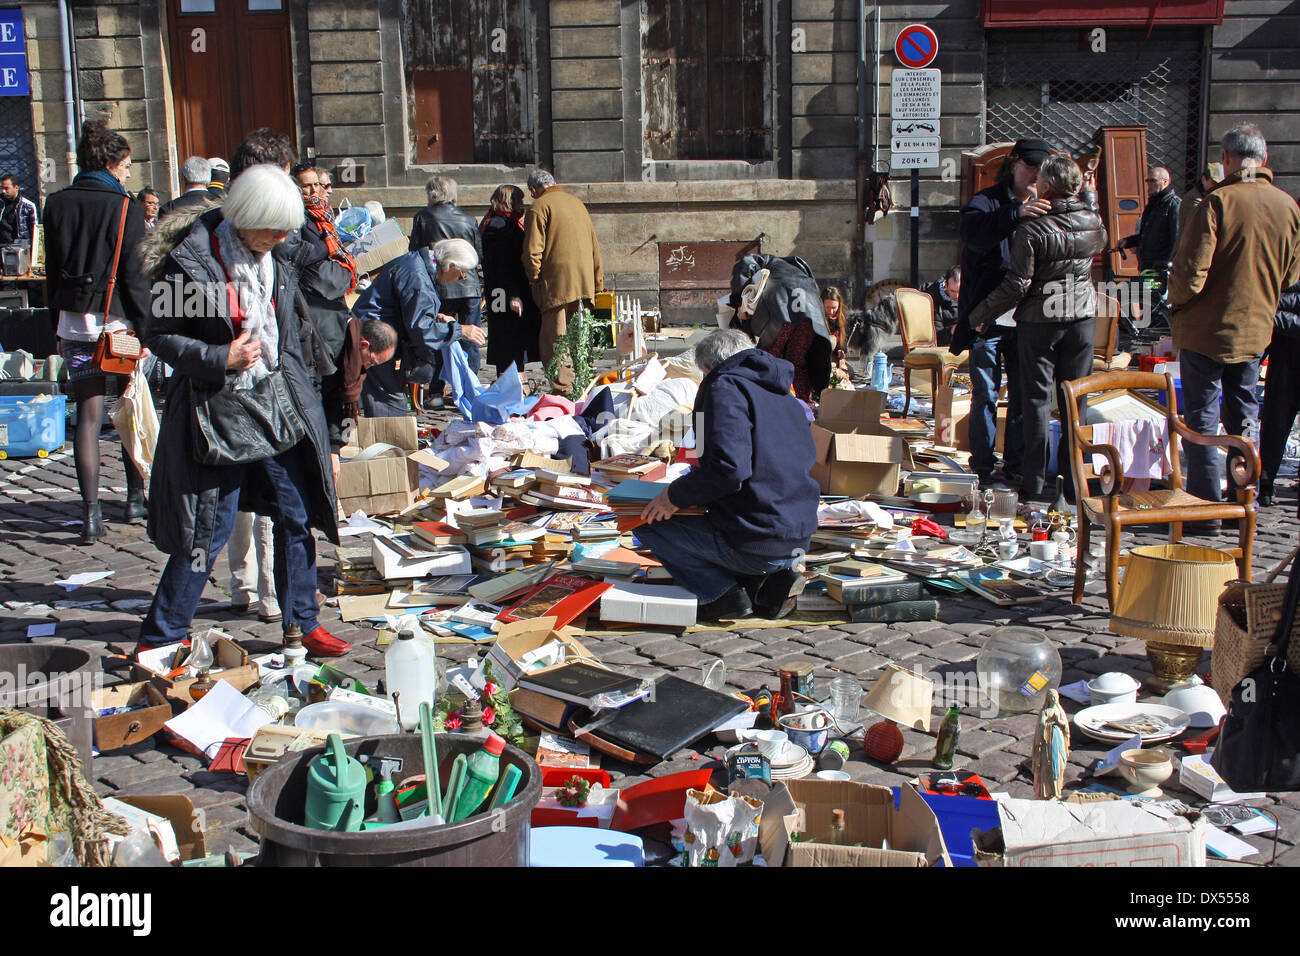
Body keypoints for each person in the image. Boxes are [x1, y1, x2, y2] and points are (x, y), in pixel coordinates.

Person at [136, 164, 349, 656]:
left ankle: (302, 622)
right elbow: (159, 335)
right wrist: (219, 358)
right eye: (270, 229)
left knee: (296, 514)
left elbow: (297, 325)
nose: (278, 238)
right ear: (243, 217)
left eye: (284, 230)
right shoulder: (191, 258)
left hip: (279, 398)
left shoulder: (281, 253)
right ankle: (161, 638)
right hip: (218, 409)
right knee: (207, 529)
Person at [636, 329, 819, 623]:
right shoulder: (781, 390)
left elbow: (728, 469)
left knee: (645, 521)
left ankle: (722, 595)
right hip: (798, 535)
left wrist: (673, 497)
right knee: (700, 513)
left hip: (758, 541)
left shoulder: (722, 387)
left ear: (707, 368)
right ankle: (766, 583)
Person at [1169, 123, 1300, 518]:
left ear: (1225, 159)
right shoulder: (1287, 206)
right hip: (1256, 330)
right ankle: (1245, 499)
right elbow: (1292, 276)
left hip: (1206, 331)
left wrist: (1176, 305)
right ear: (1264, 160)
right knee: (1244, 417)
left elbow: (1191, 274)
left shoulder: (1217, 202)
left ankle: (1206, 508)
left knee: (1204, 421)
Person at [967, 156, 1106, 505]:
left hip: (1041, 319)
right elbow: (1098, 248)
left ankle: (1034, 481)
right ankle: (1075, 482)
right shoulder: (1093, 221)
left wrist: (981, 313)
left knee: (1036, 401)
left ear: (1046, 186)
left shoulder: (1033, 227)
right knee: (1076, 402)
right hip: (1081, 317)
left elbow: (1018, 283)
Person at [43, 120, 150, 543]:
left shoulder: (55, 204)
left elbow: (52, 271)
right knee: (126, 409)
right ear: (110, 162)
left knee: (87, 417)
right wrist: (146, 332)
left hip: (73, 322)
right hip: (118, 323)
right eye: (125, 165)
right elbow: (136, 278)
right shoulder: (126, 207)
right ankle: (134, 498)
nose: (128, 173)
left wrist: (55, 322)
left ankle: (90, 516)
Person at [951, 138, 1051, 486]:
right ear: (1014, 166)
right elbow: (972, 234)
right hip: (987, 316)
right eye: (1029, 168)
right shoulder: (987, 201)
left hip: (1026, 317)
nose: (1035, 176)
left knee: (1023, 395)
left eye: (1041, 170)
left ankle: (1017, 465)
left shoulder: (1048, 205)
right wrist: (1015, 214)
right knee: (985, 395)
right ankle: (982, 466)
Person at [353, 238, 487, 417]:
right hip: (374, 336)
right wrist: (461, 330)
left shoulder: (419, 265)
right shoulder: (419, 277)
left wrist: (438, 317)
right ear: (451, 266)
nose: (461, 279)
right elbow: (422, 330)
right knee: (390, 401)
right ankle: (390, 442)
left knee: (388, 397)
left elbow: (410, 310)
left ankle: (388, 439)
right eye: (462, 274)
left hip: (377, 329)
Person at [522, 167, 603, 392]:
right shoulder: (577, 204)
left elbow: (532, 252)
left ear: (533, 189)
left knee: (555, 340)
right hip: (584, 282)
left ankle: (563, 389)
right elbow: (595, 246)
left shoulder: (539, 207)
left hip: (556, 284)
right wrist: (597, 282)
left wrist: (534, 280)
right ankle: (584, 384)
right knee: (580, 337)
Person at [728, 253, 833, 411]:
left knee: (770, 360)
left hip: (779, 315)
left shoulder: (767, 263)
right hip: (809, 319)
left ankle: (768, 406)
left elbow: (745, 266)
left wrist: (739, 298)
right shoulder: (803, 276)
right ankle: (805, 408)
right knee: (798, 363)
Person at [407, 174, 484, 377]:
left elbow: (415, 252)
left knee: (439, 335)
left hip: (439, 284)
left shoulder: (423, 217)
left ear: (432, 194)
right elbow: (478, 254)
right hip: (469, 284)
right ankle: (471, 382)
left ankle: (435, 389)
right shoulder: (468, 219)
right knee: (471, 338)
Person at [291, 161, 356, 363]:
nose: (314, 190)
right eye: (306, 186)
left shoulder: (323, 213)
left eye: (317, 184)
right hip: (315, 299)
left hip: (332, 295)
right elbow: (300, 254)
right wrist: (327, 249)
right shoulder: (295, 216)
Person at [481, 184, 541, 380]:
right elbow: (500, 265)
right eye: (519, 201)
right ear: (510, 202)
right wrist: (513, 295)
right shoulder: (498, 227)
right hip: (503, 292)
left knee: (514, 339)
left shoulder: (504, 222)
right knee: (507, 339)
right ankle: (510, 385)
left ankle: (516, 383)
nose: (522, 205)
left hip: (506, 290)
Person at [323, 317, 399, 467]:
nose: (368, 368)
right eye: (371, 362)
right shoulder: (335, 351)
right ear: (364, 344)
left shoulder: (351, 356)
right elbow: (331, 400)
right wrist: (333, 450)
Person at [1111, 165, 1180, 299]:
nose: (1149, 185)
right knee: (1147, 305)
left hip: (1161, 269)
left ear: (1165, 182)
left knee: (1158, 306)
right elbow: (1146, 235)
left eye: (1152, 181)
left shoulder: (1173, 205)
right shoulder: (1153, 205)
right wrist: (1128, 241)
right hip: (1147, 266)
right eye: (1147, 181)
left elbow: (1176, 239)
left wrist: (1169, 264)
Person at [1260, 280, 1300, 509]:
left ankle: (1265, 483)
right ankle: (1265, 483)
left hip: (1286, 345)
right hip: (1285, 351)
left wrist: (1272, 309)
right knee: (1276, 421)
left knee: (1277, 419)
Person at [819, 285, 853, 386]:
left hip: (836, 359)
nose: (831, 311)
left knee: (849, 372)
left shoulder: (842, 319)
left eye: (834, 307)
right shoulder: (818, 319)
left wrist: (841, 350)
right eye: (827, 307)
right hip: (822, 358)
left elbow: (844, 341)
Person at [1178, 162, 1223, 236]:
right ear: (1204, 179)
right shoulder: (1192, 199)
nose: (1218, 187)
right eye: (1214, 183)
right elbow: (1203, 225)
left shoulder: (1212, 196)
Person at [922, 266, 962, 347]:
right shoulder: (933, 299)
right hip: (946, 343)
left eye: (960, 290)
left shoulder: (970, 294)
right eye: (953, 291)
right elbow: (935, 338)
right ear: (945, 285)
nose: (957, 296)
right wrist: (952, 331)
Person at [0, 173, 39, 254]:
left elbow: (34, 232)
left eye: (6, 188)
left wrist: (34, 255)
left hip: (19, 250)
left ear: (16, 187)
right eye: (2, 188)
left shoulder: (28, 206)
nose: (3, 191)